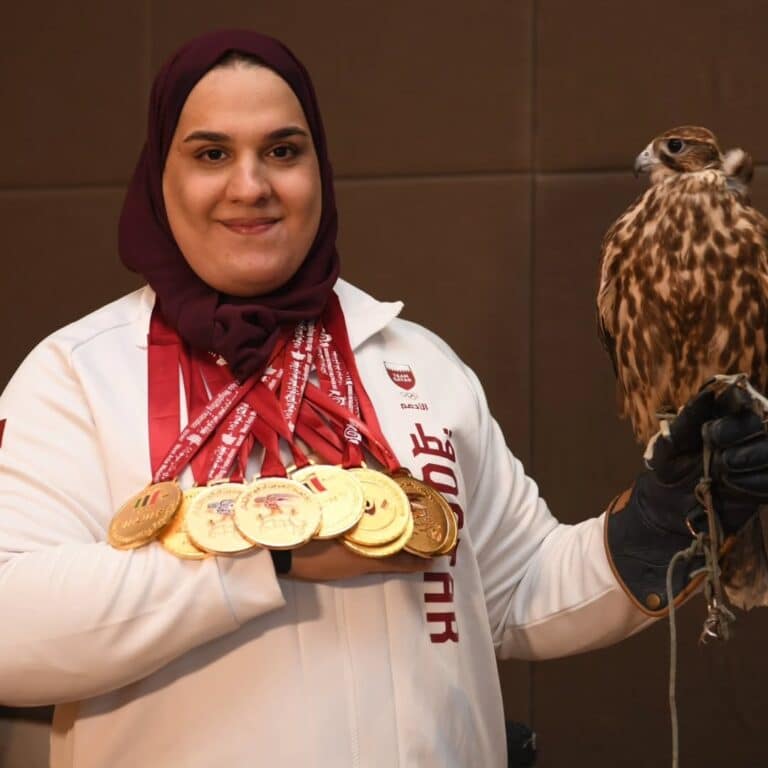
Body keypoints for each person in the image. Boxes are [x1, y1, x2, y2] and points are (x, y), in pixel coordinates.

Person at [0, 29, 766, 768]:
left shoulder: (416, 362)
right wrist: (271, 553)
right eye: (210, 154)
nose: (251, 185)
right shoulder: (77, 375)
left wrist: (665, 519)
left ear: (319, 169)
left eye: (282, 151)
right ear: (158, 177)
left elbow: (511, 594)